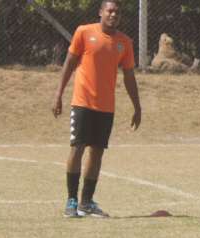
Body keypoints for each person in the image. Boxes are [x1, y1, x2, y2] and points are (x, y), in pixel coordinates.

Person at [51, 0, 141, 218]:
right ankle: (71, 201)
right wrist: (58, 94)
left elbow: (129, 76)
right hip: (82, 103)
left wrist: (137, 106)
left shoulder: (124, 43)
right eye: (109, 10)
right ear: (100, 12)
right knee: (77, 148)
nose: (113, 15)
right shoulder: (84, 32)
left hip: (106, 107)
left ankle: (87, 202)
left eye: (117, 12)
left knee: (97, 152)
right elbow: (69, 63)